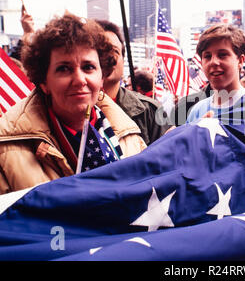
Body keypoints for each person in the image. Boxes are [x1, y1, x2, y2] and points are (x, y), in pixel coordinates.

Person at [0, 13, 147, 194]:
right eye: (64, 69)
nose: (79, 80)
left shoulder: (130, 137)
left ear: (101, 78)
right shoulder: (5, 151)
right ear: (43, 82)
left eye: (88, 67)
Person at [95, 19, 171, 145]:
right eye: (100, 51)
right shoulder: (73, 110)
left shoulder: (150, 110)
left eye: (114, 51)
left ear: (123, 60)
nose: (108, 58)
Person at [186, 24, 245, 122]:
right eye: (207, 56)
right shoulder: (197, 111)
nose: (213, 62)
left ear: (240, 60)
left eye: (222, 55)